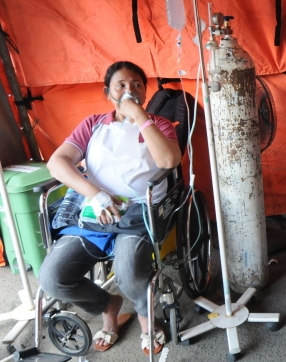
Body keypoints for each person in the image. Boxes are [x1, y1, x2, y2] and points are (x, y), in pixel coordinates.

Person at [39, 61, 182, 354]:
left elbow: (169, 161)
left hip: (138, 211)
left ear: (146, 91)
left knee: (128, 271)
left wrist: (141, 118)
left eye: (137, 84)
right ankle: (108, 306)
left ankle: (145, 315)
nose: (129, 90)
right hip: (95, 210)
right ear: (108, 92)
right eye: (121, 84)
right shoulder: (92, 124)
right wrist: (96, 195)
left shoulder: (158, 124)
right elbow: (57, 162)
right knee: (53, 278)